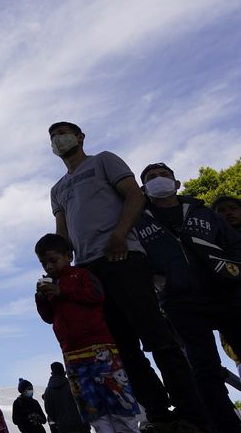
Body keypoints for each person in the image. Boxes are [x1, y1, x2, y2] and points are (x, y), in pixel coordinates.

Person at [47, 122, 207, 432]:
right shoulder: (57, 189)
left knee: (157, 337)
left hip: (123, 257)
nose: (58, 138)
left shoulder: (104, 160)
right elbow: (62, 234)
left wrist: (120, 235)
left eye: (64, 131)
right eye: (53, 135)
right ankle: (159, 414)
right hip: (88, 270)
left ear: (80, 137)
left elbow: (134, 196)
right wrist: (63, 271)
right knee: (122, 349)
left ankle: (193, 414)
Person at [134, 163, 241, 432]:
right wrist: (159, 283)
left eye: (164, 175)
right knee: (204, 367)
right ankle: (226, 425)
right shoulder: (137, 220)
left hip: (224, 293)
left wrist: (235, 271)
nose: (159, 180)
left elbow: (233, 242)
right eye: (151, 178)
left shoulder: (201, 211)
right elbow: (136, 260)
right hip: (180, 302)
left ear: (176, 182)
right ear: (143, 188)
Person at [34, 233, 139, 433]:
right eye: (43, 263)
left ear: (68, 256)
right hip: (72, 354)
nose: (48, 267)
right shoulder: (49, 286)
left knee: (117, 397)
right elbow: (48, 317)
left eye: (53, 260)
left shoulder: (81, 275)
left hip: (100, 348)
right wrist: (41, 298)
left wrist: (62, 291)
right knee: (91, 404)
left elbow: (97, 296)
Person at [43, 362, 90, 433]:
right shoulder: (72, 384)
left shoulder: (48, 390)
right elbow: (83, 401)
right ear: (63, 371)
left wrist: (59, 420)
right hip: (80, 423)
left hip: (63, 427)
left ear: (52, 373)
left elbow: (49, 410)